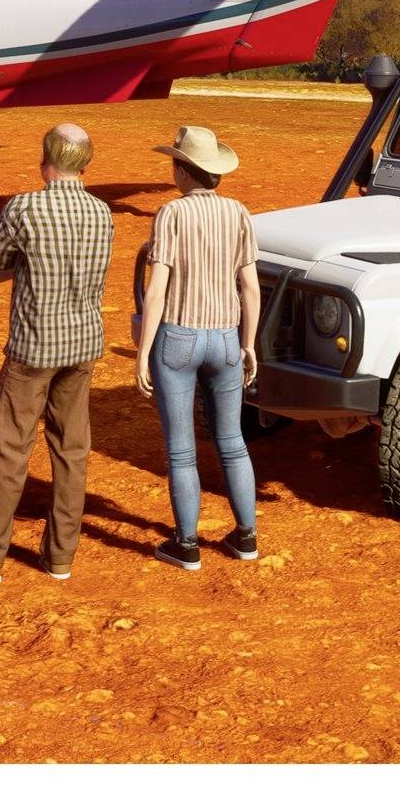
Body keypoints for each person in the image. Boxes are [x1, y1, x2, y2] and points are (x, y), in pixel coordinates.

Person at [0, 123, 113, 585]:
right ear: (86, 163)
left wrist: (23, 267)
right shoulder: (103, 213)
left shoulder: (24, 207)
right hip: (82, 344)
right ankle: (60, 556)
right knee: (72, 451)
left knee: (10, 450)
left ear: (45, 159)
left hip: (32, 346)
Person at [133, 126, 262, 568]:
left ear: (185, 170)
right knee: (232, 441)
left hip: (179, 338)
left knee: (181, 449)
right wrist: (249, 344)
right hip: (226, 338)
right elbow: (250, 287)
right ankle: (246, 536)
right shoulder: (239, 214)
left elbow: (157, 289)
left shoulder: (171, 214)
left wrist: (143, 350)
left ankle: (186, 544)